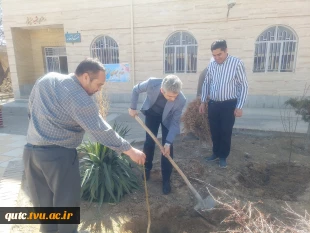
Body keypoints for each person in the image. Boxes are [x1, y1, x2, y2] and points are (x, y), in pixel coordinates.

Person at [23, 58, 146, 233]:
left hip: (30, 153)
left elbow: (31, 109)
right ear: (86, 77)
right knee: (66, 206)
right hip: (58, 157)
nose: (99, 90)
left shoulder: (47, 79)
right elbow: (100, 129)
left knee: (44, 208)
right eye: (99, 84)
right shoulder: (78, 96)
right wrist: (129, 150)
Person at [128, 75, 186, 195]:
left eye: (175, 96)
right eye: (170, 96)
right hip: (152, 114)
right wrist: (132, 108)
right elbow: (135, 89)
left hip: (168, 119)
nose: (173, 99)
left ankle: (166, 179)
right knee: (149, 142)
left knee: (168, 149)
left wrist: (168, 143)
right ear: (161, 90)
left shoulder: (181, 99)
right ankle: (146, 169)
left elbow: (175, 123)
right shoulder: (151, 84)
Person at [199, 40, 248, 168]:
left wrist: (240, 106)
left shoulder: (237, 63)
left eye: (219, 54)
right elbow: (206, 83)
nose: (216, 58)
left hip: (228, 104)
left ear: (226, 50)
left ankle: (223, 156)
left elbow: (243, 85)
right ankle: (215, 153)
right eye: (214, 55)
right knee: (214, 131)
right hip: (214, 104)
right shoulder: (212, 64)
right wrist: (203, 102)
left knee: (225, 131)